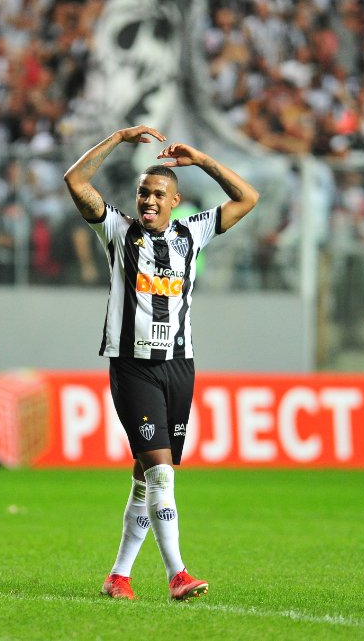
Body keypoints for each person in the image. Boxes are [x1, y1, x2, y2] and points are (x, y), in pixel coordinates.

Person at [63, 125, 260, 601]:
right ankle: (177, 574)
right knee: (160, 472)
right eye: (142, 193)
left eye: (158, 195)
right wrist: (116, 139)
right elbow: (75, 181)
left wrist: (203, 161)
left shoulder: (192, 232)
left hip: (179, 367)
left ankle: (118, 575)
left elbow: (248, 197)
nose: (148, 201)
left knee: (146, 473)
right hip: (133, 367)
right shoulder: (117, 231)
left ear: (175, 201)